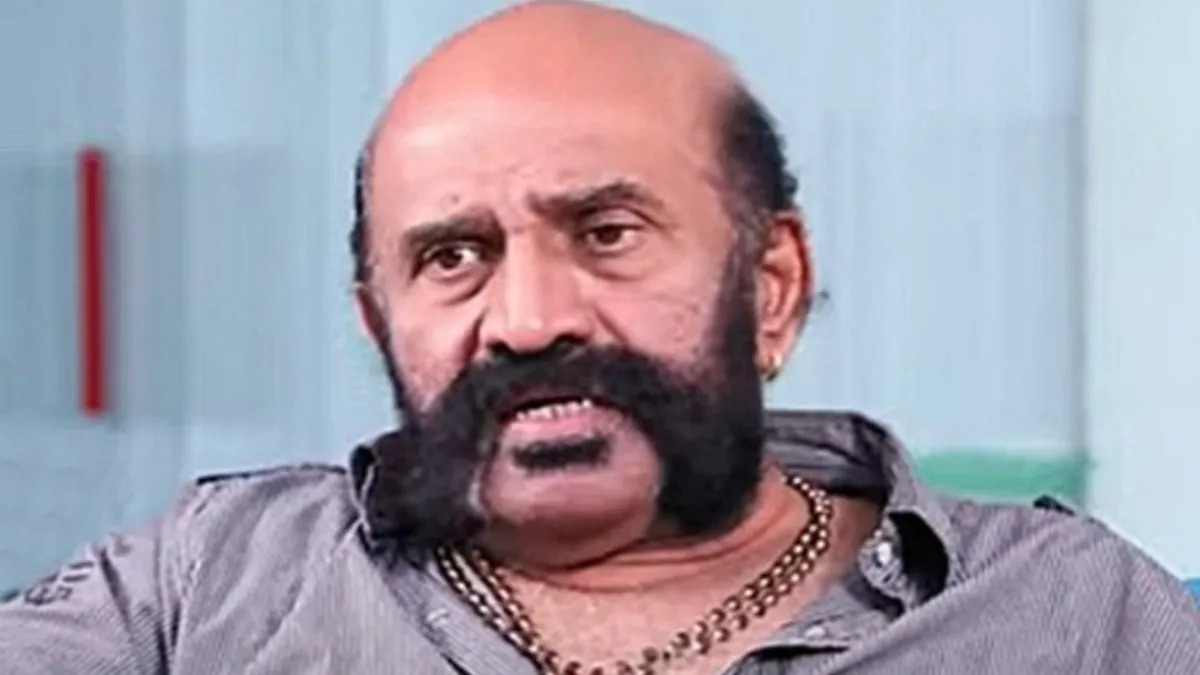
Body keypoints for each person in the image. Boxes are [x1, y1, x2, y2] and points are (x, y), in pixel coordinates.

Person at [2, 2, 1198, 673]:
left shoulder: (1069, 612)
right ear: (380, 323)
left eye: (608, 233)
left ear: (770, 285)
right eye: (452, 256)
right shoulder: (207, 586)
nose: (530, 321)